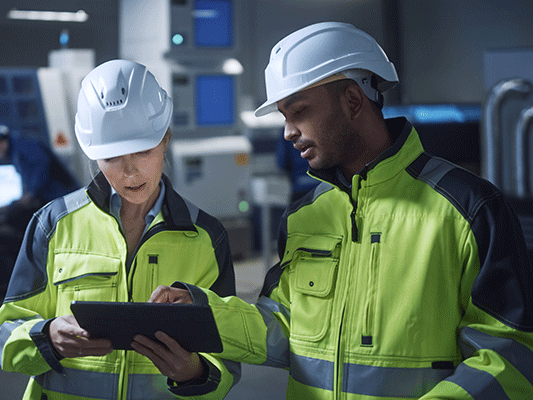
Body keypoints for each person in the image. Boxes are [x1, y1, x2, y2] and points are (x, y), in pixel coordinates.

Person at [146, 22, 533, 399]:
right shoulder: (304, 217)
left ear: (351, 101)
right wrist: (199, 310)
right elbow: (284, 326)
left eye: (298, 112)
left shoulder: (470, 210)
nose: (288, 132)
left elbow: (508, 357)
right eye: (284, 116)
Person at [0, 59, 240, 400]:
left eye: (142, 151)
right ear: (94, 155)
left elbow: (230, 353)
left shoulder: (206, 238)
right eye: (111, 156)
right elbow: (6, 336)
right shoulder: (52, 225)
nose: (129, 172)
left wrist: (195, 373)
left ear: (165, 139)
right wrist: (46, 336)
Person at [0, 124, 80, 234]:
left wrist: (32, 193)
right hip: (50, 198)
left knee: (15, 217)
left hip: (60, 195)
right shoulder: (16, 151)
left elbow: (42, 165)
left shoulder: (23, 144)